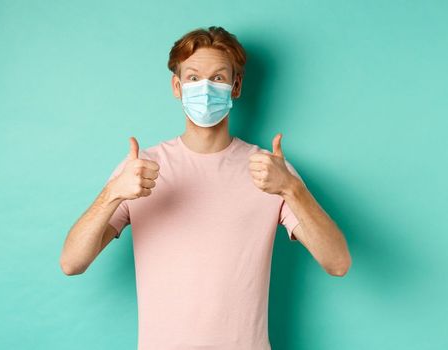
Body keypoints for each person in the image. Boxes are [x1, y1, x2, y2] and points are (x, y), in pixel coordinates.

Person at [59, 26, 352, 350]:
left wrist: (291, 189)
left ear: (236, 85)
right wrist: (113, 192)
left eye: (218, 78)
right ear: (177, 86)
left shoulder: (270, 171)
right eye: (194, 77)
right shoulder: (140, 170)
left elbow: (337, 262)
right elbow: (72, 262)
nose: (205, 88)